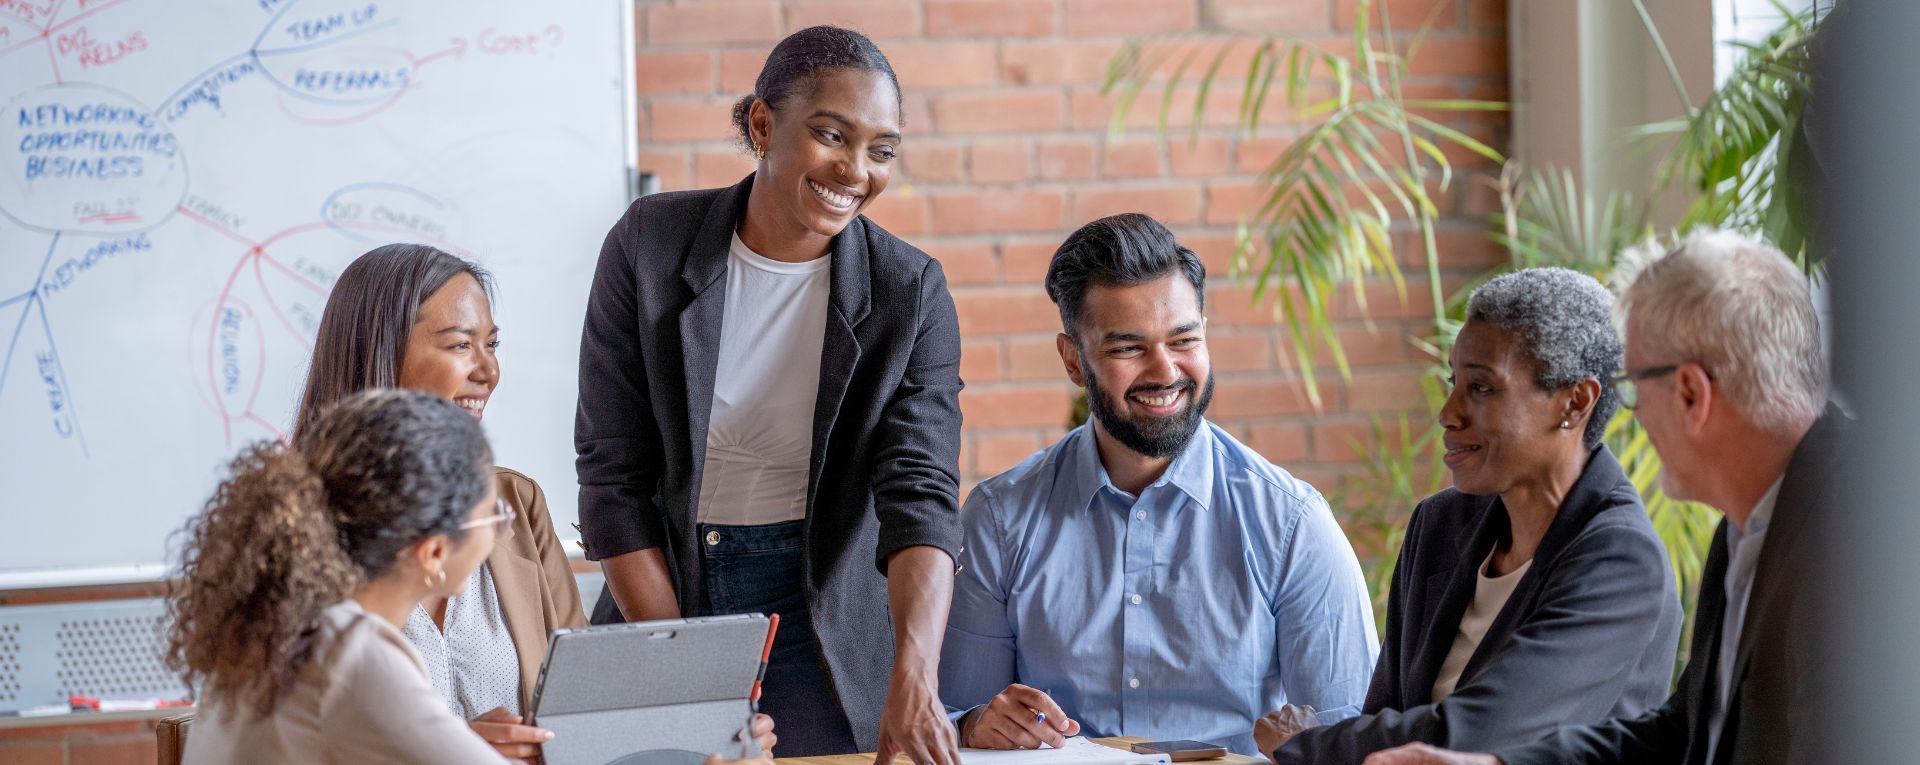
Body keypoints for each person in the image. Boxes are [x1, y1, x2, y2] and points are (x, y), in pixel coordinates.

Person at [575, 25, 962, 761]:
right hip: (662, 587)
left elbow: (921, 495)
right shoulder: (649, 244)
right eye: (831, 135)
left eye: (881, 150)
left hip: (819, 611)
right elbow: (611, 475)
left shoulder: (908, 291)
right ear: (762, 124)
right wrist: (682, 660)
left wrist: (915, 672)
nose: (855, 169)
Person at [1365, 230, 1836, 765]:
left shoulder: (1852, 539)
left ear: (1690, 394)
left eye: (1633, 385)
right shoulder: (1748, 527)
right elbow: (1683, 734)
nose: (1626, 411)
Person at [939, 213, 1378, 756]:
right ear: (1074, 360)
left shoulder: (1292, 524)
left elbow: (1352, 743)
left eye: (1183, 340)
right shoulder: (1000, 519)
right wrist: (978, 722)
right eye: (1128, 348)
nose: (1165, 371)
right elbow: (958, 715)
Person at [168, 390, 778, 764]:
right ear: (434, 553)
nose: (503, 528)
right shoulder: (354, 654)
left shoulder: (290, 631)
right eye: (492, 514)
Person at [1257, 269, 1682, 764]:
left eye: (1481, 387)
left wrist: (1304, 745)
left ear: (1575, 402)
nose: (1448, 412)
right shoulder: (1438, 526)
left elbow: (1482, 732)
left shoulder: (1621, 560)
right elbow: (1387, 714)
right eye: (1453, 382)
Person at [294, 243, 586, 760]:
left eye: (491, 345)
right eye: (459, 346)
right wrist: (445, 750)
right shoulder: (294, 528)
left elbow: (589, 702)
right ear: (380, 354)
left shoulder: (516, 501)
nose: (488, 371)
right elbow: (293, 737)